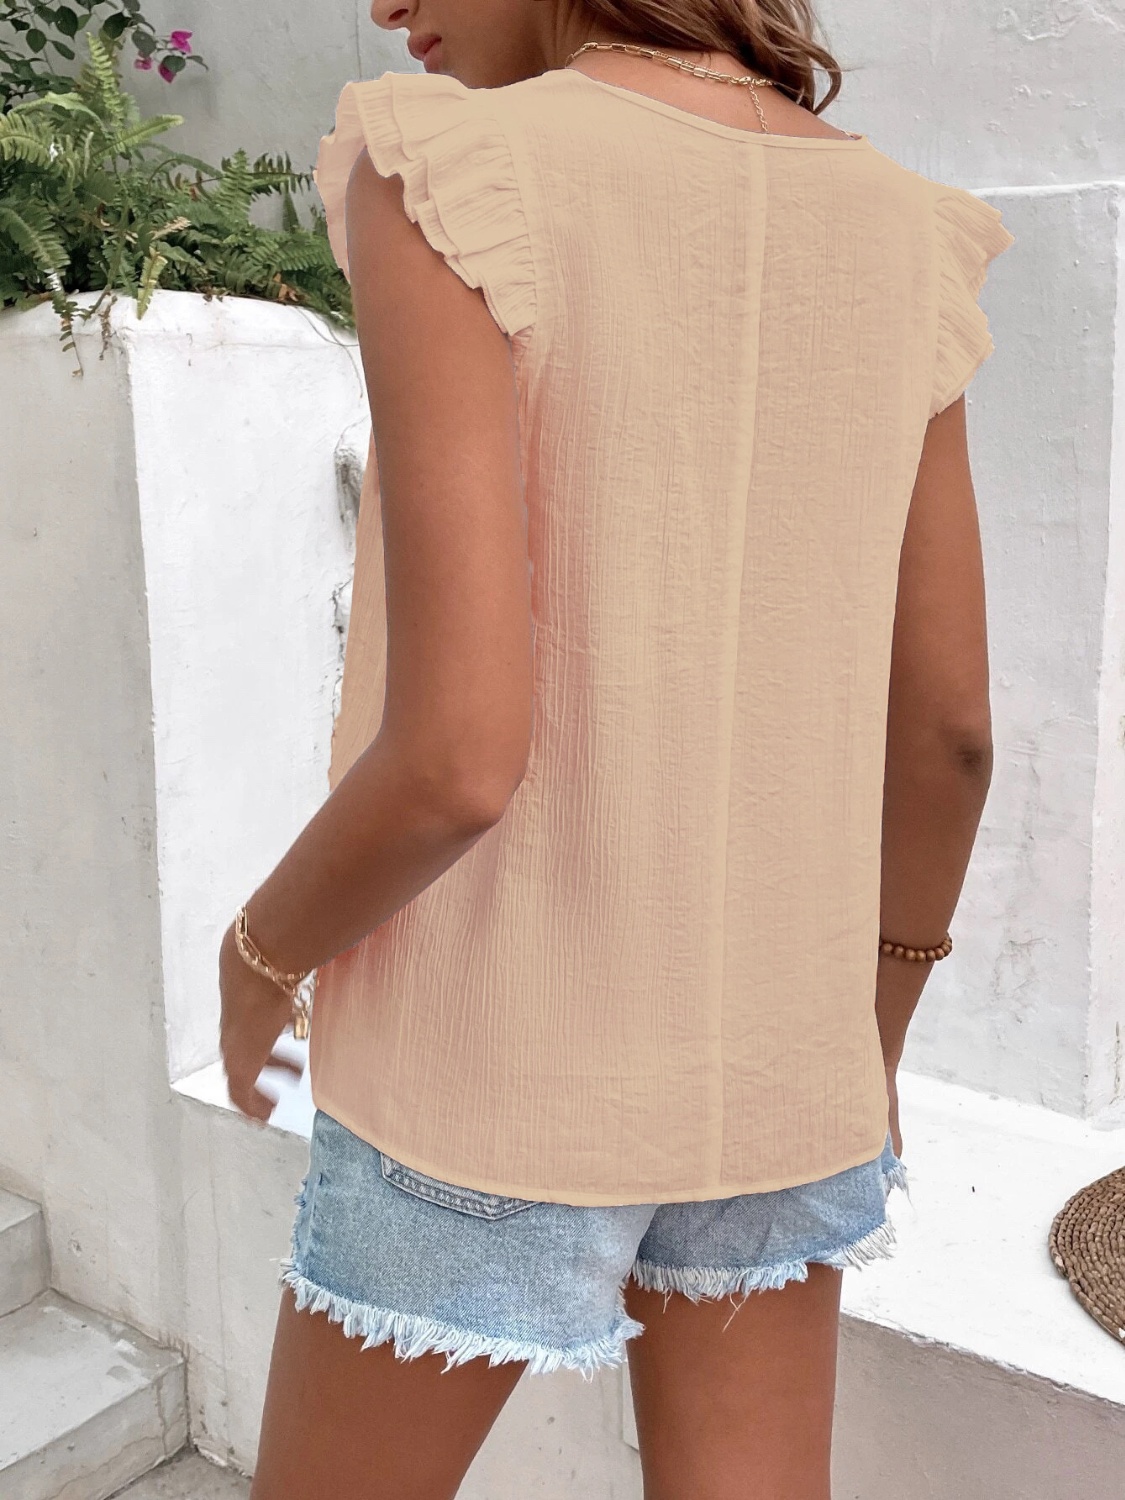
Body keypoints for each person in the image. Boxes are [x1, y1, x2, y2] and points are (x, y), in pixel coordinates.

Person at [218, 2, 1014, 1496]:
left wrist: (259, 954)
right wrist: (868, 1039)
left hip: (486, 1063)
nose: (385, 7)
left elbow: (458, 756)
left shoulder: (451, 168)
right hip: (784, 1067)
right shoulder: (907, 233)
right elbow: (949, 735)